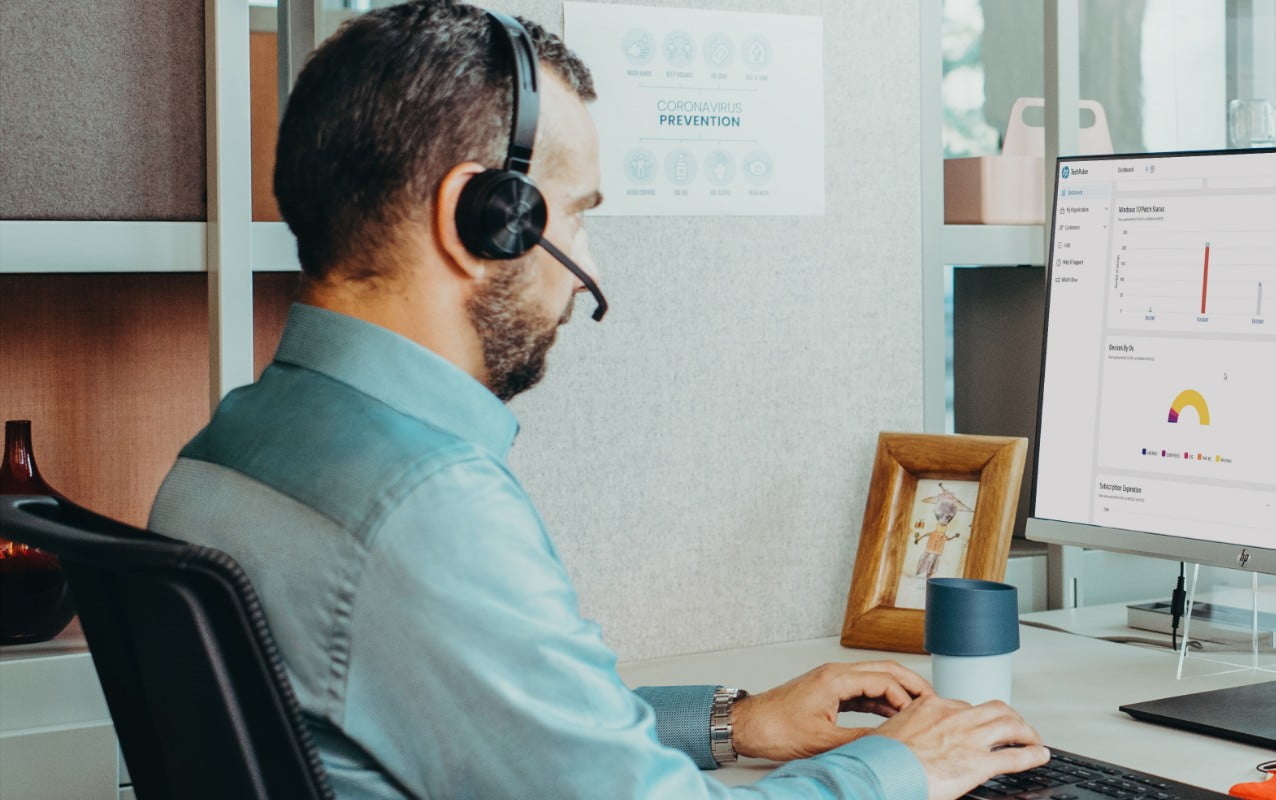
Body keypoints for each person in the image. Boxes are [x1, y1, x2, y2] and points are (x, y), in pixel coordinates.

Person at [146, 3, 1047, 797]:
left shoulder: (224, 452)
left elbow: (490, 730)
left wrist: (733, 725)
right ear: (482, 220)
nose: (589, 271)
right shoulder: (425, 508)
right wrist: (898, 768)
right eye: (573, 215)